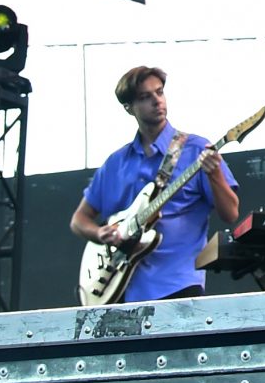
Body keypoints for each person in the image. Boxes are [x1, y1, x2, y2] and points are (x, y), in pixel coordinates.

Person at [70, 66, 242, 301]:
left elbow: (231, 213)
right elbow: (79, 220)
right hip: (121, 292)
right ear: (129, 108)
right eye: (145, 97)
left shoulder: (196, 149)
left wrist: (215, 175)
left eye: (159, 92)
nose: (157, 101)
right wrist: (100, 233)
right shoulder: (115, 163)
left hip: (179, 286)